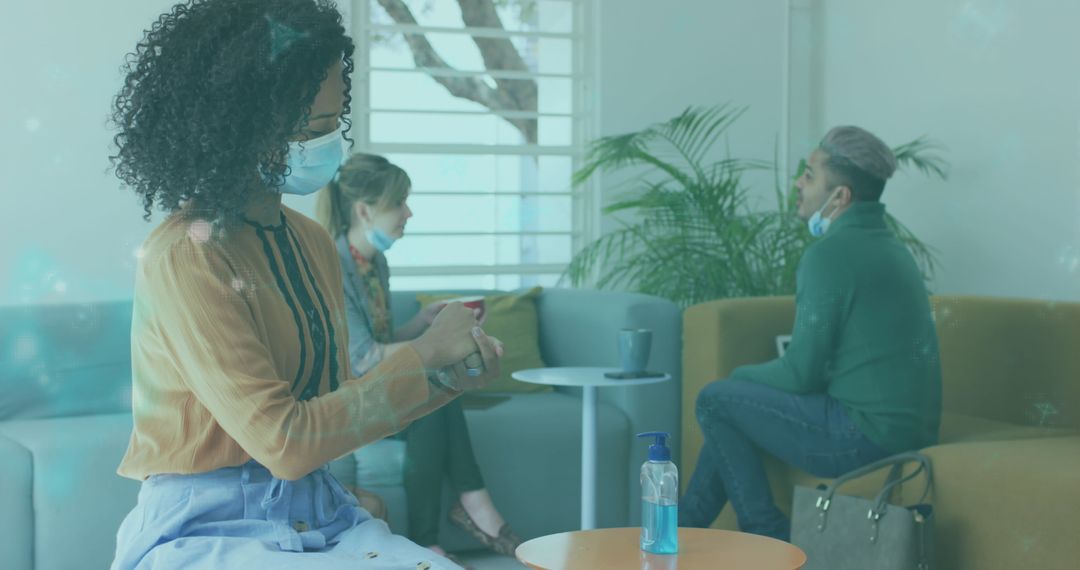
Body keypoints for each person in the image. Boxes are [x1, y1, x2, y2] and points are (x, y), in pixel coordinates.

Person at [108, 1, 502, 568]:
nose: (327, 147)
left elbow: (330, 410)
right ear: (240, 127)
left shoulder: (314, 242)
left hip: (317, 513)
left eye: (331, 126)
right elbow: (285, 442)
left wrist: (448, 375)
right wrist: (424, 358)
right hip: (204, 528)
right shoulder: (185, 258)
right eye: (310, 131)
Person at [679, 126, 943, 541]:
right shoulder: (891, 249)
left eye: (808, 175)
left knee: (716, 399)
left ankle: (767, 535)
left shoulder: (830, 256)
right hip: (907, 431)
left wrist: (741, 376)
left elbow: (803, 373)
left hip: (864, 436)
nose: (798, 184)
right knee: (730, 407)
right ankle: (677, 534)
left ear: (840, 197)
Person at [315, 153, 522, 560]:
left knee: (436, 392)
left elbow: (381, 340)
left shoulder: (376, 264)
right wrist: (437, 343)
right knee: (433, 385)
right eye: (399, 203)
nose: (408, 212)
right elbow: (362, 359)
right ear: (364, 210)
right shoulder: (334, 266)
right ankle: (469, 508)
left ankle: (436, 534)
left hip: (375, 383)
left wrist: (423, 323)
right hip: (351, 397)